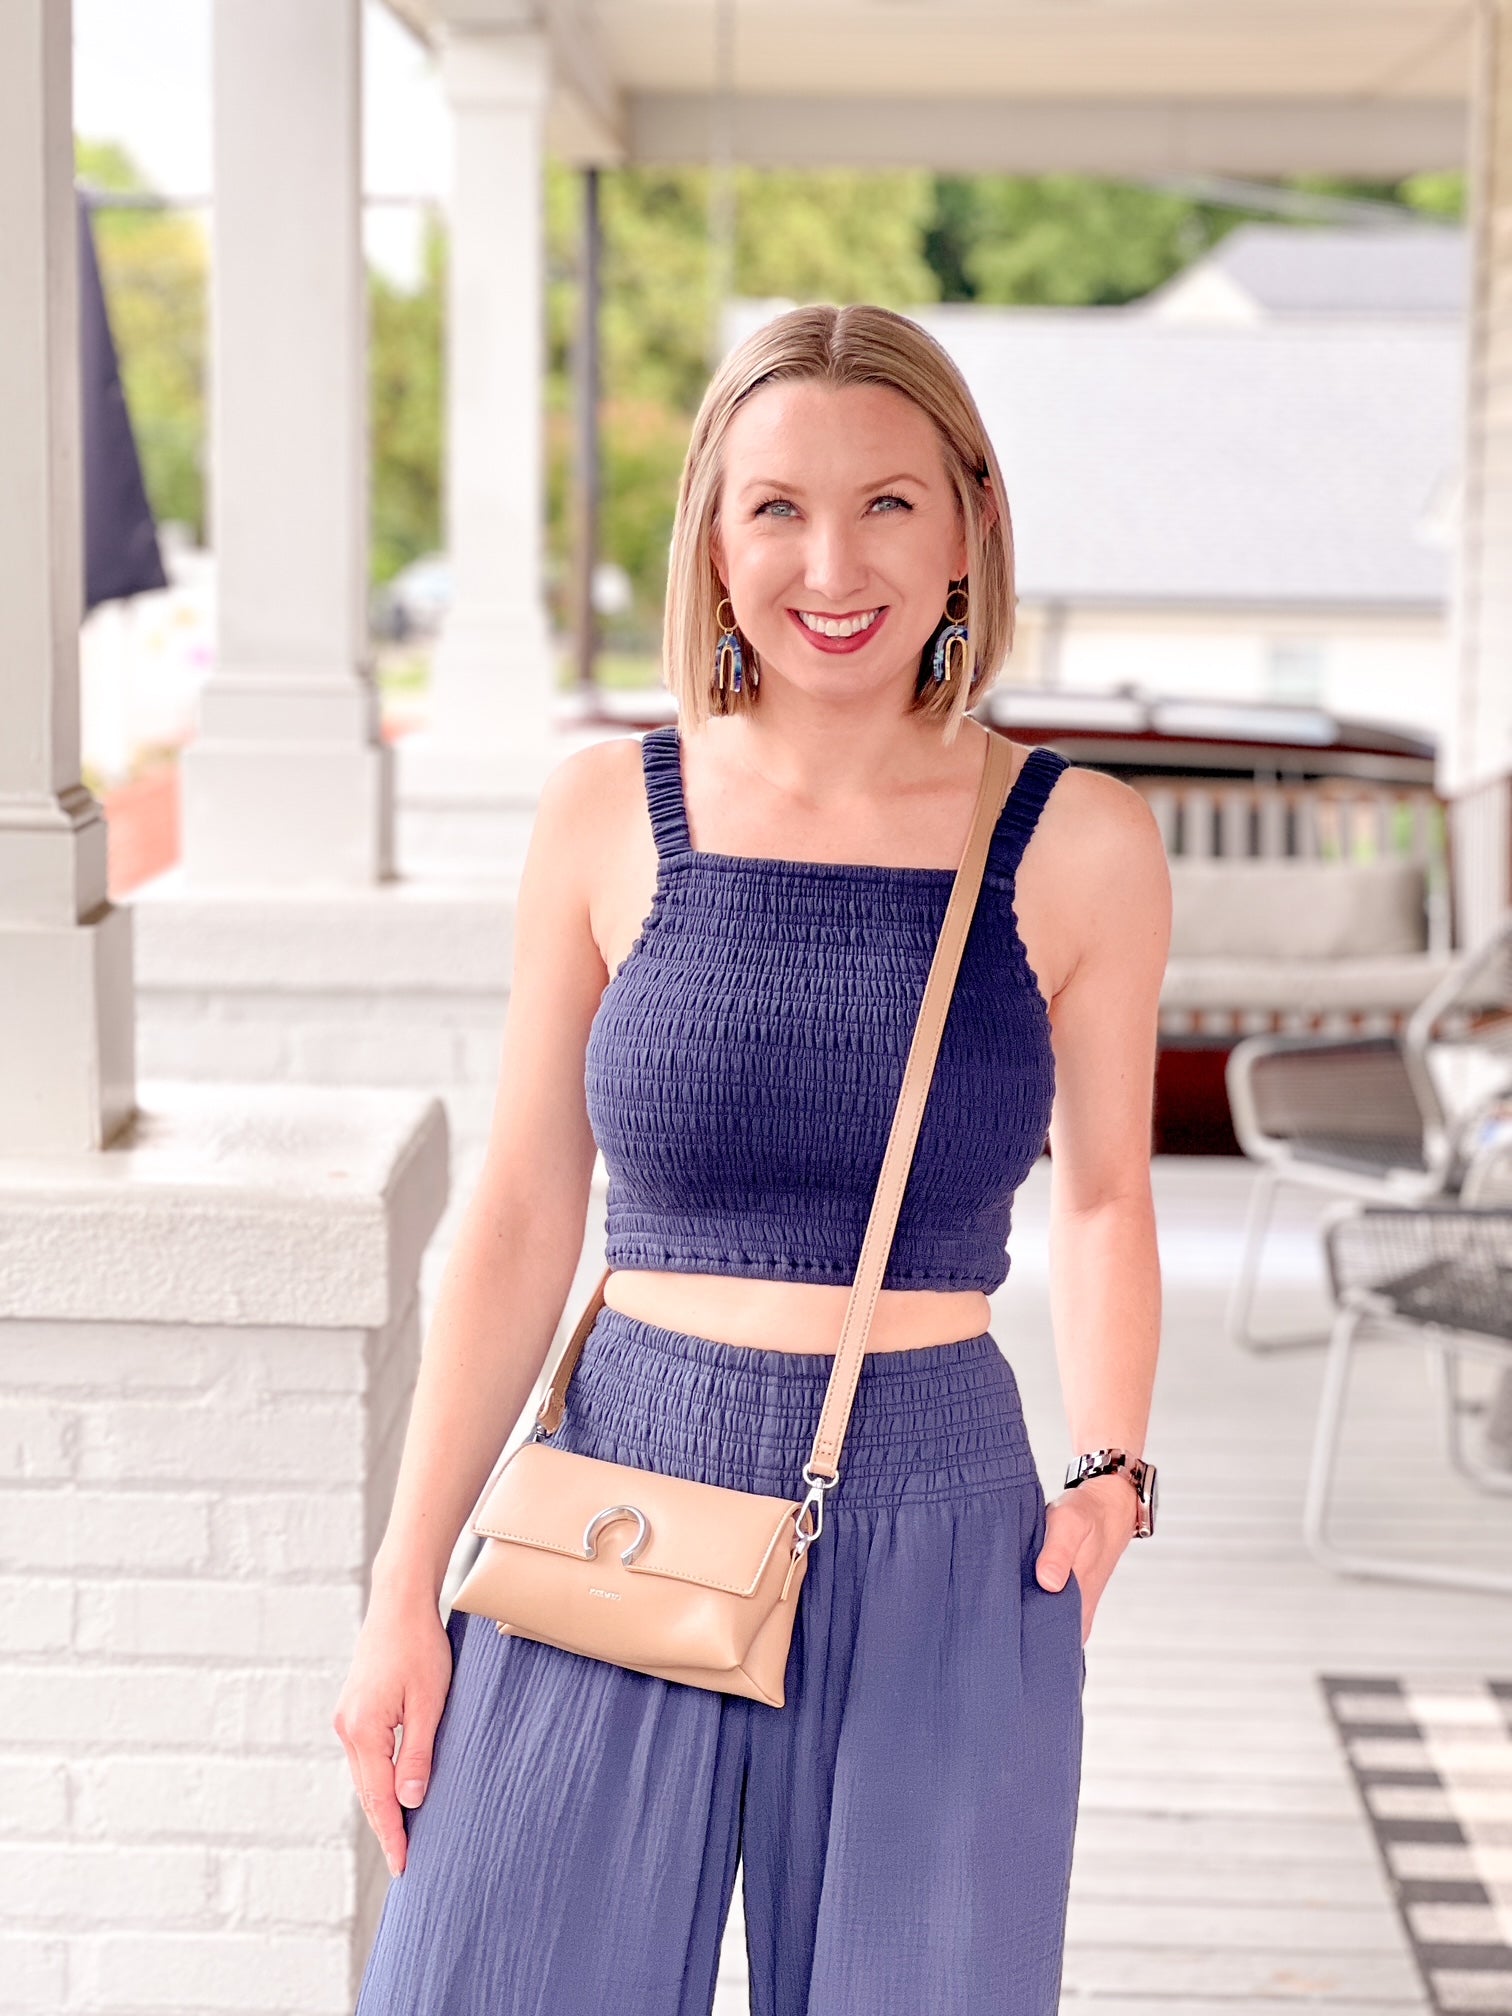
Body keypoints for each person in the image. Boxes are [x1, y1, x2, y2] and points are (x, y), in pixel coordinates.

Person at [336, 301, 1169, 2015]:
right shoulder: (603, 814)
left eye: (888, 502)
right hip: (622, 1485)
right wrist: (402, 1588)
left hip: (942, 1516)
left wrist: (1113, 1469)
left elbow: (1101, 1193)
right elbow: (519, 1212)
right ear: (713, 540)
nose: (831, 561)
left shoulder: (1078, 841)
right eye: (776, 505)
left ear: (968, 531)